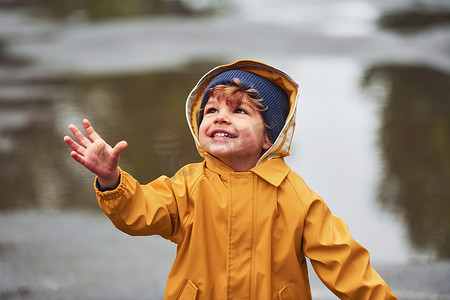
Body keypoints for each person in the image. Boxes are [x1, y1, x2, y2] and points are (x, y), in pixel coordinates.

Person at [63, 60, 397, 299]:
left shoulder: (295, 197)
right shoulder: (189, 185)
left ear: (270, 136)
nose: (220, 116)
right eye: (210, 110)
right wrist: (112, 180)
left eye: (239, 110)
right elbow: (141, 211)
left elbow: (345, 263)